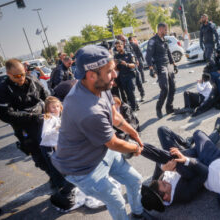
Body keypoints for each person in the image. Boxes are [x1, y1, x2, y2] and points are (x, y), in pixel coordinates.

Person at [51, 45, 151, 220]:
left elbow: (115, 116)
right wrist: (134, 148)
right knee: (117, 201)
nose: (115, 75)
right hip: (83, 168)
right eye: (110, 71)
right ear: (91, 75)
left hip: (102, 152)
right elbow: (113, 143)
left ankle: (138, 213)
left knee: (135, 180)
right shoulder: (87, 110)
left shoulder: (100, 86)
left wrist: (132, 131)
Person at [140, 118, 220, 219]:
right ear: (166, 197)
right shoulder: (183, 194)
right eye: (164, 184)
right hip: (196, 163)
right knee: (183, 149)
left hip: (189, 158)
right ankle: (138, 147)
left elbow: (158, 168)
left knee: (163, 131)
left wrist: (163, 168)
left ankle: (141, 147)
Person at [0, 59, 49, 175]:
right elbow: (5, 115)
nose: (21, 78)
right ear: (8, 74)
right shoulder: (1, 90)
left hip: (44, 123)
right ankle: (54, 178)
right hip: (25, 129)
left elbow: (46, 97)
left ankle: (61, 181)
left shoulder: (33, 80)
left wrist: (51, 109)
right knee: (39, 159)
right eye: (17, 76)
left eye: (23, 74)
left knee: (52, 154)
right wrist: (29, 115)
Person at [145, 23, 178, 119]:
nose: (166, 31)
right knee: (165, 88)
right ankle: (158, 108)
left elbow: (168, 53)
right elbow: (148, 56)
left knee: (173, 87)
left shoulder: (164, 40)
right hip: (160, 66)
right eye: (165, 29)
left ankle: (169, 107)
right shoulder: (152, 41)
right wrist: (151, 69)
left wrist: (174, 65)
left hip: (168, 66)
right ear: (160, 29)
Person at [40, 96, 68, 189]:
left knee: (62, 167)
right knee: (55, 169)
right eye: (53, 107)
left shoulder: (58, 117)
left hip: (57, 146)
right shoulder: (49, 118)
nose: (56, 109)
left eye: (57, 106)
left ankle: (65, 186)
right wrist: (56, 129)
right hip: (48, 148)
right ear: (48, 108)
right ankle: (61, 190)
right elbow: (44, 134)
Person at [114, 40, 138, 111]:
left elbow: (134, 65)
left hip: (130, 75)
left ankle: (134, 108)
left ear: (123, 45)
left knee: (131, 92)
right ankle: (134, 105)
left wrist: (126, 64)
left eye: (119, 46)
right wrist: (114, 65)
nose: (118, 48)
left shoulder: (129, 54)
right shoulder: (116, 56)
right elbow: (117, 69)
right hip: (122, 77)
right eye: (117, 47)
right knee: (127, 93)